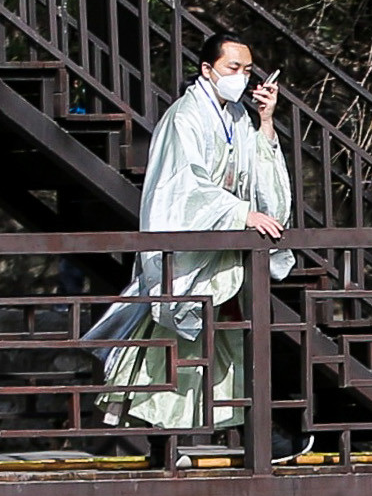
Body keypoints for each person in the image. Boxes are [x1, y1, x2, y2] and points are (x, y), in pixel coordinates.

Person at [93, 34, 290, 431]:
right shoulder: (185, 117)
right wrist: (238, 212)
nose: (241, 77)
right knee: (172, 343)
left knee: (223, 345)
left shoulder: (236, 117)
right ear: (207, 69)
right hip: (192, 250)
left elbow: (256, 170)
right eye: (233, 68)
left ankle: (226, 432)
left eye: (247, 70)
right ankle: (162, 438)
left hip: (223, 249)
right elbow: (185, 185)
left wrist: (266, 122)